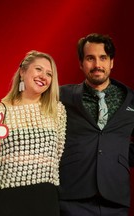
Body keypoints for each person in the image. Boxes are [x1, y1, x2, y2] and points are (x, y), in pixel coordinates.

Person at [59, 33, 134, 216]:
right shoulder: (63, 96)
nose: (97, 65)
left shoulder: (130, 99)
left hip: (115, 197)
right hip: (72, 196)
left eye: (103, 58)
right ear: (81, 63)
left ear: (111, 62)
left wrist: (119, 156)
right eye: (90, 58)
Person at [0, 50, 66, 216]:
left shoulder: (57, 111)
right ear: (22, 72)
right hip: (5, 198)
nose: (43, 76)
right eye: (38, 69)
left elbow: (57, 154)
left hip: (44, 198)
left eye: (49, 74)